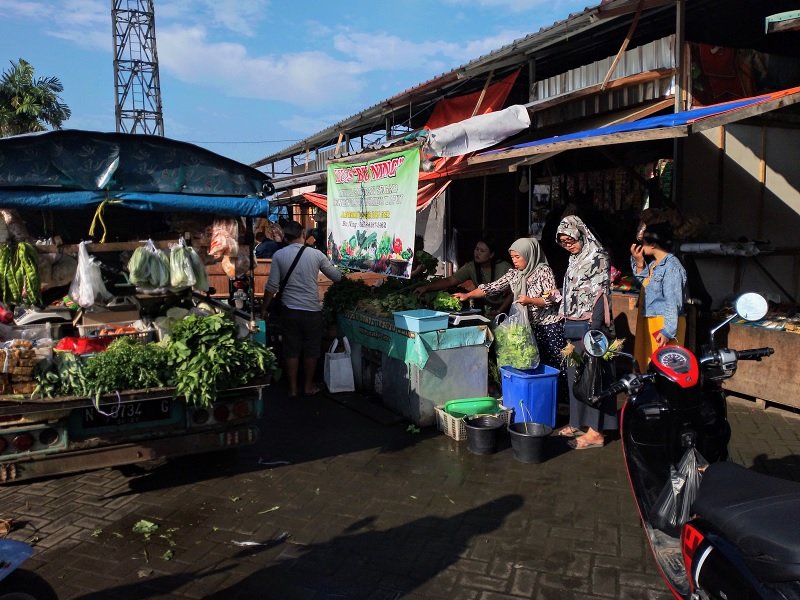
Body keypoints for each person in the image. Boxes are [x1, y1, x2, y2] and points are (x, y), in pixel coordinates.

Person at [452, 237, 564, 373]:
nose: (514, 261)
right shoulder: (514, 274)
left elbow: (551, 299)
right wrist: (467, 295)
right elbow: (491, 287)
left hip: (548, 327)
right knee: (530, 365)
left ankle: (556, 394)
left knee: (552, 367)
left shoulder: (543, 271)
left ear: (529, 254)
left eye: (518, 257)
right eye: (512, 257)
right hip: (527, 327)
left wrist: (530, 300)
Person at [262, 220, 342, 400]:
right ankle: (307, 386)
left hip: (289, 311)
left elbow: (272, 286)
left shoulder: (279, 255)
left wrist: (264, 309)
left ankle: (292, 389)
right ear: (303, 234)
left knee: (291, 349)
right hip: (312, 311)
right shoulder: (316, 255)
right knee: (311, 350)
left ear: (285, 237)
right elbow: (336, 277)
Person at [556, 215, 617, 449]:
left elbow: (601, 292)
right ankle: (577, 421)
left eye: (570, 239)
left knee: (595, 378)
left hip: (592, 326)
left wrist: (595, 328)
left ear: (580, 233)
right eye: (562, 241)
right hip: (573, 324)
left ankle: (596, 432)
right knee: (577, 376)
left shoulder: (598, 255)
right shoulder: (575, 257)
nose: (567, 245)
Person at [630, 221, 687, 369]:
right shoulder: (655, 264)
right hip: (651, 320)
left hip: (663, 324)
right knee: (648, 365)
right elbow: (645, 285)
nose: (641, 246)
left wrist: (668, 330)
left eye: (643, 242)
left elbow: (673, 300)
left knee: (664, 368)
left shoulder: (672, 267)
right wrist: (639, 262)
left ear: (653, 244)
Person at [415, 236, 512, 317]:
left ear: (491, 255)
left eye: (482, 251)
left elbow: (513, 293)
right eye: (476, 249)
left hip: (507, 310)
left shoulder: (504, 267)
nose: (477, 253)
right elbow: (450, 281)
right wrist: (426, 288)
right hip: (488, 310)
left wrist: (500, 311)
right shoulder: (470, 267)